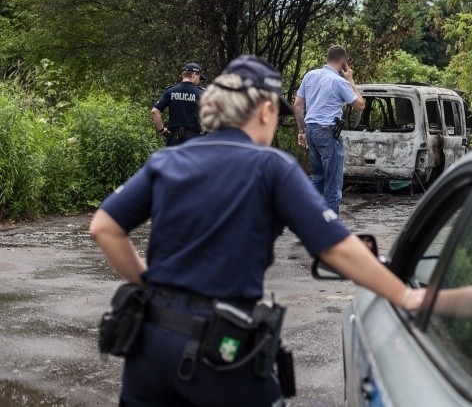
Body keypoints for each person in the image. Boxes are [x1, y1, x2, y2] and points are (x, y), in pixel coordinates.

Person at [90, 55, 425, 406]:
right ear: (265, 111)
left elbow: (104, 227)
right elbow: (336, 249)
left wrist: (147, 281)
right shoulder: (271, 166)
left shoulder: (167, 160)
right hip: (220, 349)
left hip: (149, 346)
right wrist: (404, 296)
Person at [293, 45, 365, 215]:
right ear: (343, 63)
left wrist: (301, 131)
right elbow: (360, 105)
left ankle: (309, 222)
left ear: (327, 58)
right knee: (332, 186)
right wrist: (351, 80)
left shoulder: (310, 75)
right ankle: (331, 231)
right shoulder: (339, 81)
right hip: (328, 133)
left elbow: (297, 105)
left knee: (318, 179)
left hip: (311, 130)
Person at [151, 62, 206, 146]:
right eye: (199, 78)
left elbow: (155, 111)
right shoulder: (201, 93)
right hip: (194, 139)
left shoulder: (170, 91)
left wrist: (161, 130)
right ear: (194, 75)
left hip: (173, 139)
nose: (199, 81)